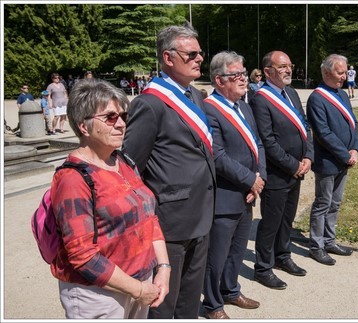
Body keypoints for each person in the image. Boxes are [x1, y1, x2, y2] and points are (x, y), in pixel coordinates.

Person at [49, 78, 170, 319]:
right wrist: (138, 290)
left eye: (123, 116)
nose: (122, 124)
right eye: (110, 117)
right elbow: (83, 257)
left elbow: (149, 217)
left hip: (141, 283)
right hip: (98, 295)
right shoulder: (73, 179)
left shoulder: (123, 161)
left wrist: (164, 268)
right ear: (84, 126)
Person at [122, 24, 216, 319]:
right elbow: (130, 167)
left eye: (200, 53)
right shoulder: (149, 104)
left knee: (189, 301)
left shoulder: (197, 97)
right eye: (191, 54)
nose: (199, 58)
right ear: (168, 57)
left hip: (201, 214)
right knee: (165, 303)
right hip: (169, 224)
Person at [202, 51, 266, 319]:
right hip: (225, 197)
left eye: (244, 72)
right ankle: (212, 304)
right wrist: (250, 179)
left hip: (247, 195)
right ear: (219, 80)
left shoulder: (244, 106)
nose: (243, 78)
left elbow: (258, 144)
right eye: (236, 74)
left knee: (237, 251)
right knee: (217, 256)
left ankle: (230, 290)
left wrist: (259, 177)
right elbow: (217, 156)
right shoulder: (209, 109)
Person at [250, 51, 313, 290]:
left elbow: (305, 127)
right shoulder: (260, 99)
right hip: (278, 173)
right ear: (268, 71)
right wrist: (292, 164)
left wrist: (308, 156)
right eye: (282, 66)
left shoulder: (293, 93)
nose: (288, 70)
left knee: (287, 218)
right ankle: (263, 267)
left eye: (290, 65)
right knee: (271, 221)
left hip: (297, 169)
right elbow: (267, 140)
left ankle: (282, 256)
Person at [306, 54, 358, 266]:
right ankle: (316, 245)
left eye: (345, 72)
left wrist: (355, 149)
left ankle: (329, 240)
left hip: (344, 159)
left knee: (335, 203)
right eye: (340, 72)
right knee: (323, 203)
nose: (344, 76)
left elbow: (353, 123)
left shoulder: (342, 94)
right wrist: (345, 154)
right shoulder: (317, 98)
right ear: (326, 72)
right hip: (328, 161)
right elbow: (323, 133)